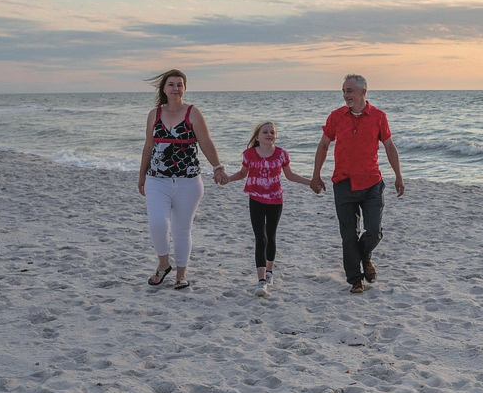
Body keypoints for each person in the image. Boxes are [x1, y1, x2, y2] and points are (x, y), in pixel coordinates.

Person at [310, 74, 404, 294]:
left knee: (374, 231)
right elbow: (323, 145)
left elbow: (390, 147)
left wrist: (398, 175)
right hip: (343, 182)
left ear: (363, 92)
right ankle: (355, 279)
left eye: (349, 91)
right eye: (343, 91)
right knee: (349, 235)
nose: (345, 95)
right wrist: (316, 175)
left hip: (372, 182)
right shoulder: (336, 117)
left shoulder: (379, 117)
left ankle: (365, 257)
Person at [138, 69, 227, 290]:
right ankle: (163, 264)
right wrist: (142, 176)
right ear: (164, 89)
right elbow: (148, 146)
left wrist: (217, 168)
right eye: (171, 84)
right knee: (157, 223)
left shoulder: (193, 113)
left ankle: (181, 273)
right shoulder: (154, 114)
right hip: (157, 180)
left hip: (189, 181)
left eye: (180, 84)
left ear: (184, 88)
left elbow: (206, 142)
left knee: (182, 229)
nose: (176, 88)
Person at [224, 121, 312, 297]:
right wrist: (227, 179)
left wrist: (311, 182)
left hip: (275, 200)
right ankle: (261, 280)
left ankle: (270, 272)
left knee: (271, 236)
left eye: (272, 132)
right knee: (260, 238)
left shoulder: (281, 154)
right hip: (255, 199)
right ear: (257, 137)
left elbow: (290, 175)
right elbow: (242, 174)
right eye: (265, 132)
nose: (269, 134)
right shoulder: (249, 154)